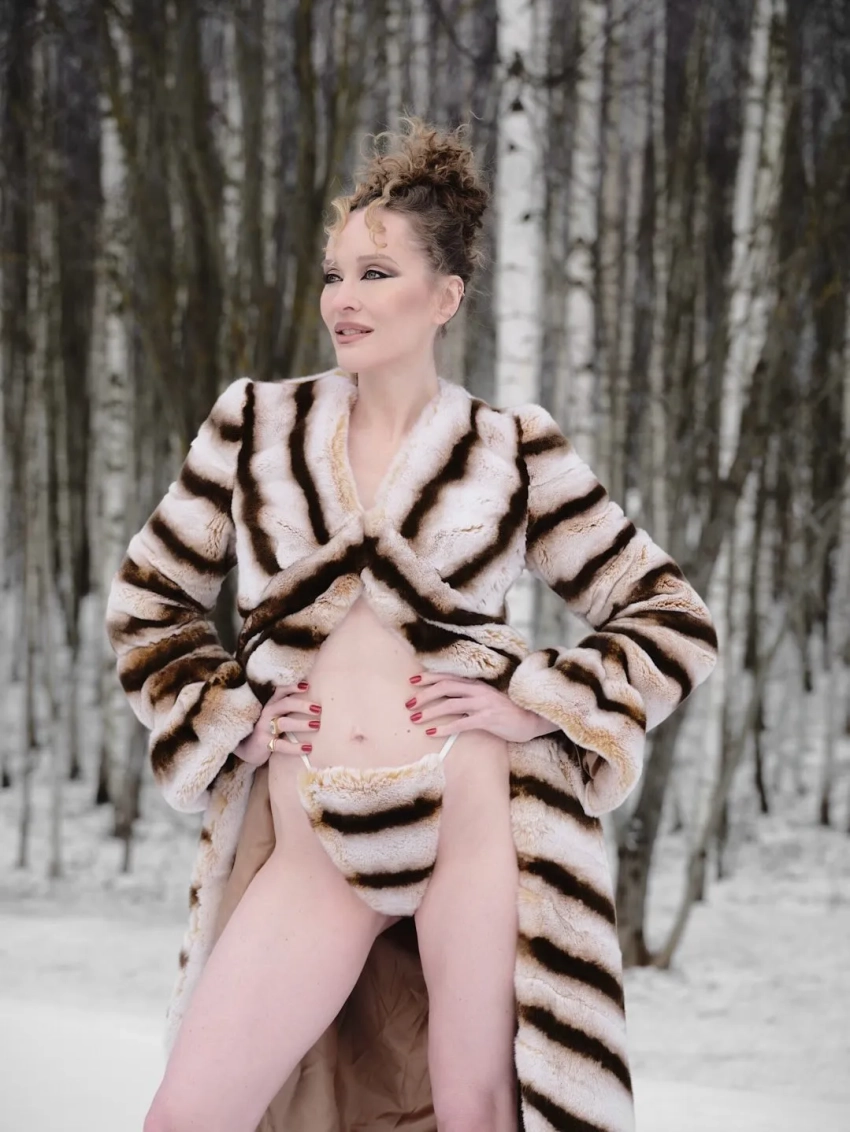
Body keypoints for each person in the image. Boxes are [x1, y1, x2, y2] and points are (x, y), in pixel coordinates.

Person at [106, 118, 717, 1132]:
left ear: (445, 298)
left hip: (468, 823)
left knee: (477, 1111)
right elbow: (149, 602)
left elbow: (669, 614)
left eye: (376, 274)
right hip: (316, 839)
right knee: (187, 1114)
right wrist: (229, 715)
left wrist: (538, 700)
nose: (342, 298)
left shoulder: (511, 450)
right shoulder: (254, 426)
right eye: (334, 274)